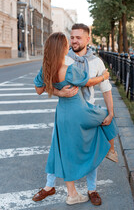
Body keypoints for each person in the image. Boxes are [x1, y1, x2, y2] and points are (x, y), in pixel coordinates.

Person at [32, 24, 118, 206]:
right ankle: (49, 186)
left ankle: (91, 189)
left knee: (90, 147)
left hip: (86, 107)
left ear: (88, 39)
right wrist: (59, 93)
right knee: (60, 148)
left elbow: (106, 90)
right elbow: (85, 81)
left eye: (78, 37)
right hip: (71, 111)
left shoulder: (96, 62)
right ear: (66, 43)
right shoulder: (63, 61)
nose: (74, 41)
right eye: (71, 38)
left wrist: (111, 112)